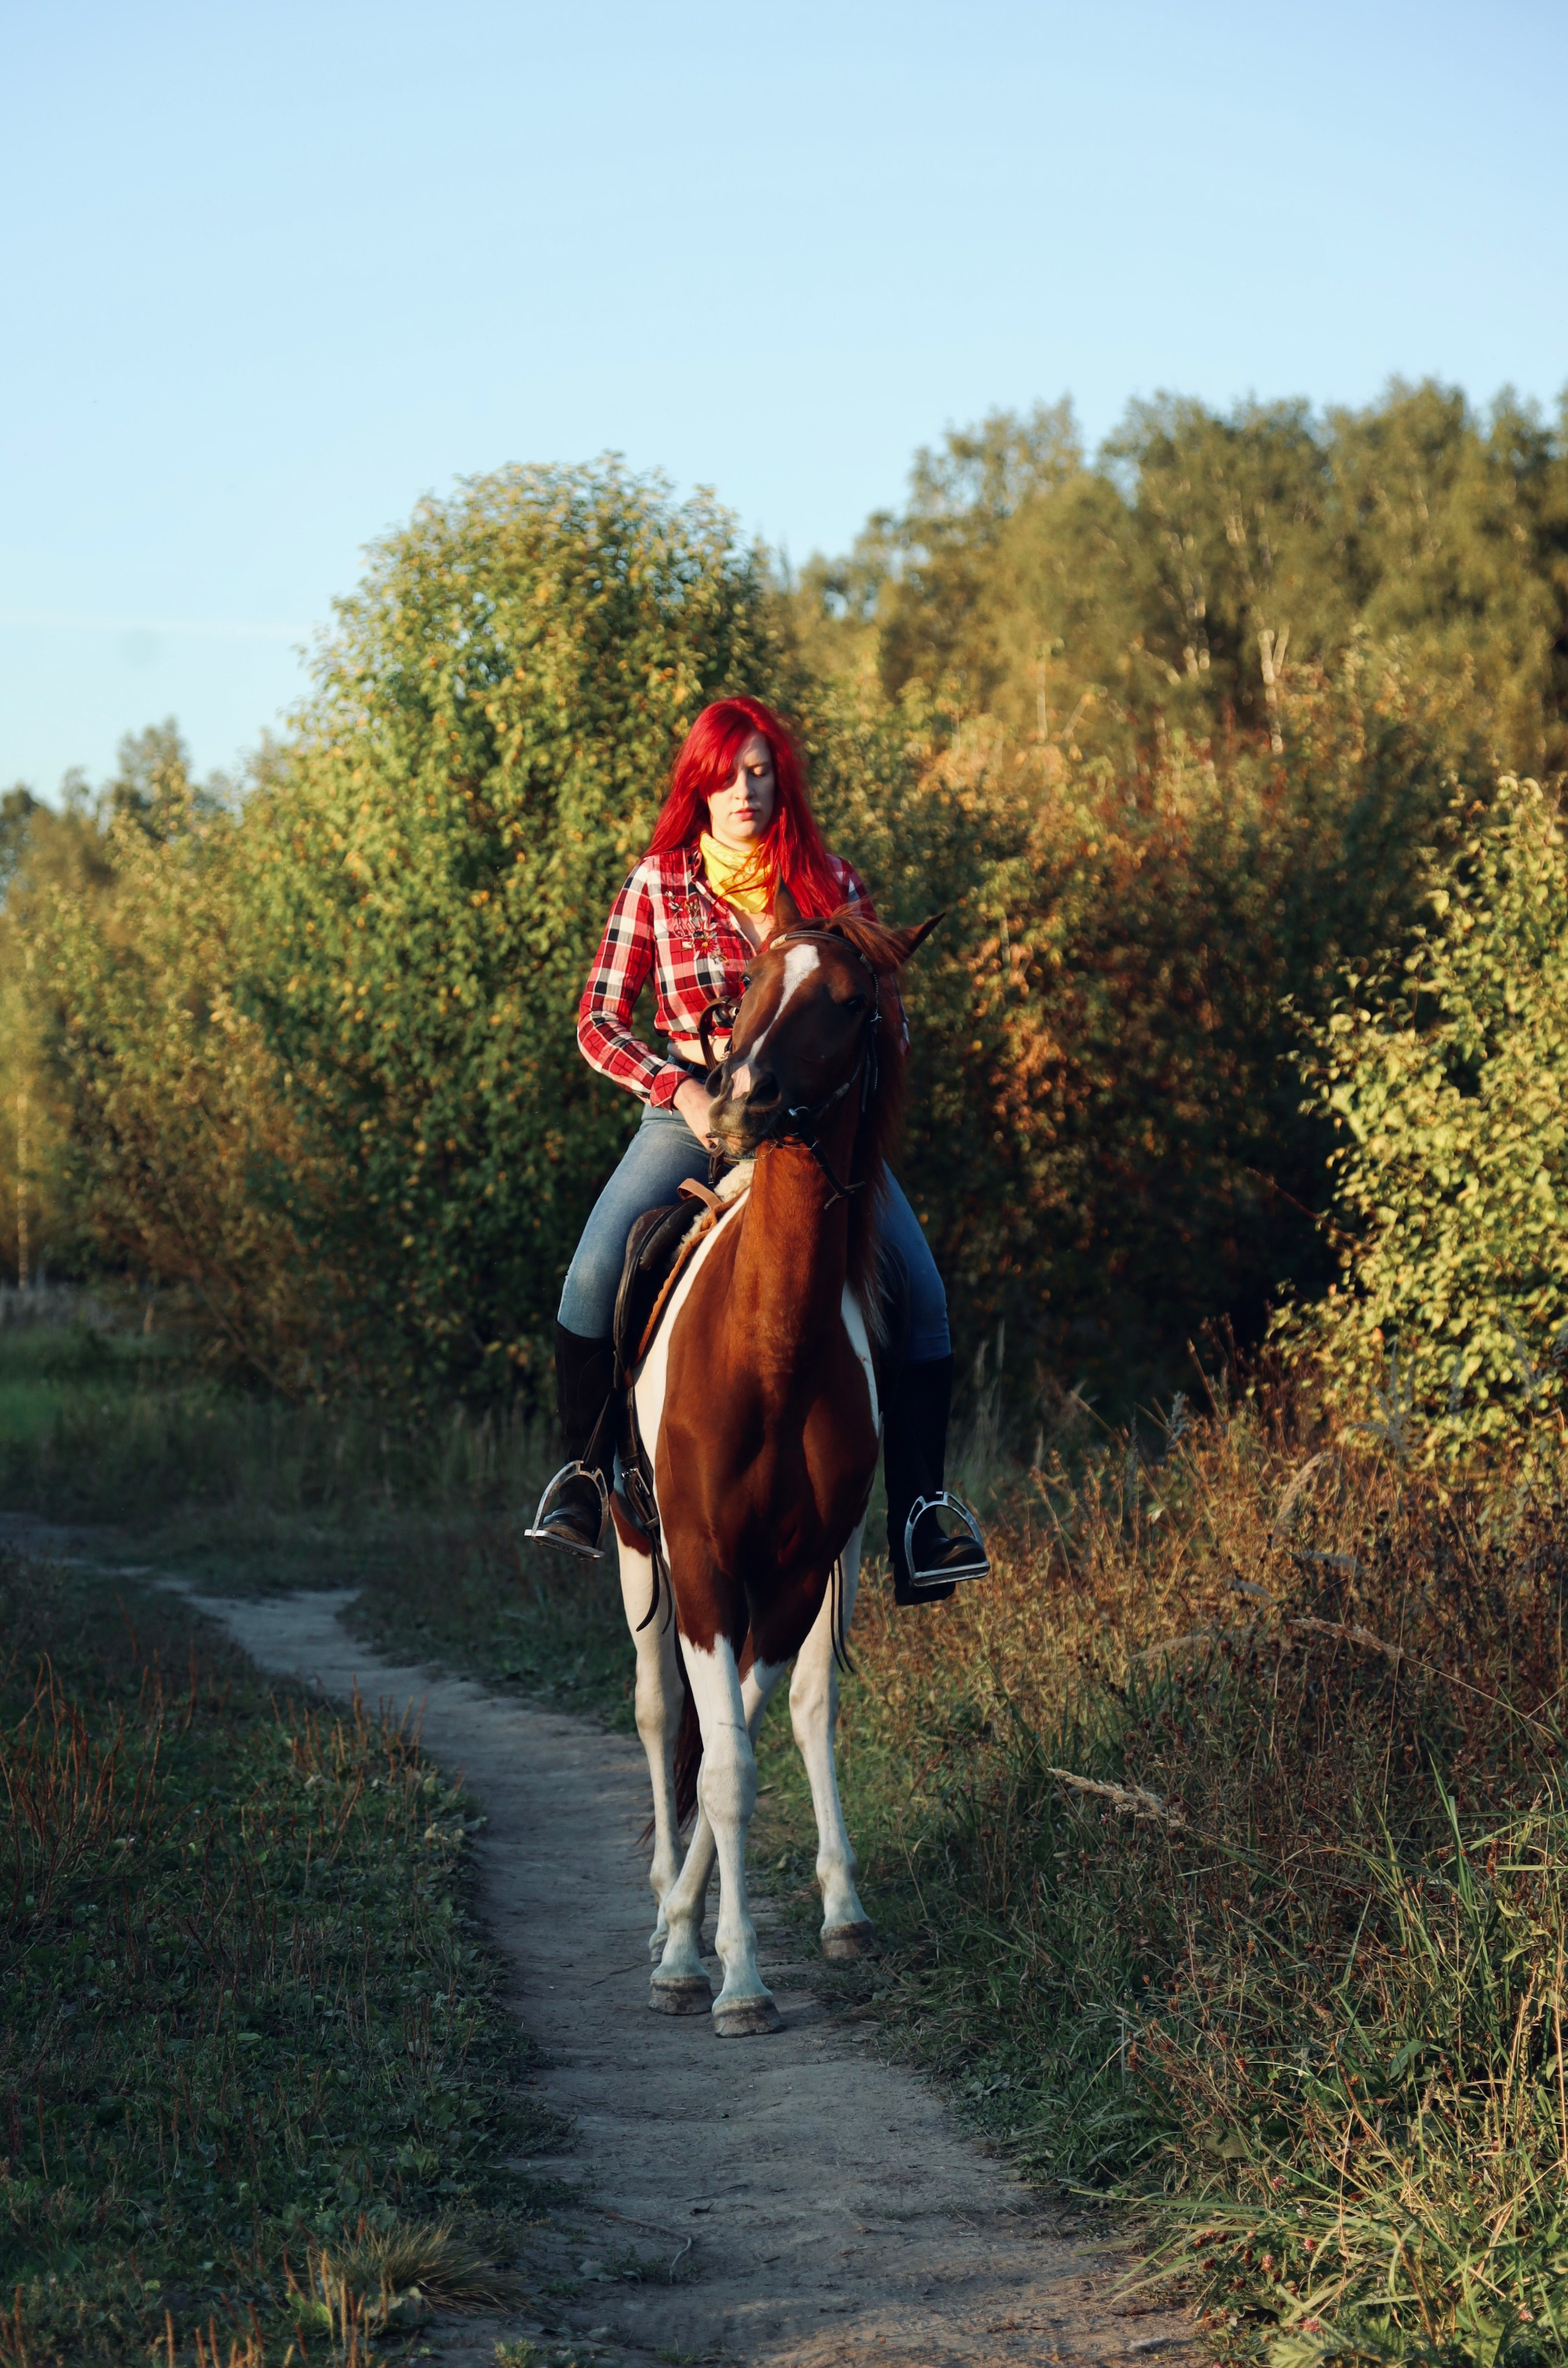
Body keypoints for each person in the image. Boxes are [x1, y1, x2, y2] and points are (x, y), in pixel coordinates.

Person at [529, 695, 988, 1602]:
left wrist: (843, 1073)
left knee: (923, 1296)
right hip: (693, 1113)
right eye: (724, 773)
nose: (743, 790)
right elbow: (596, 1021)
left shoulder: (832, 884)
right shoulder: (656, 884)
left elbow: (889, 1019)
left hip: (813, 1132)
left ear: (782, 778)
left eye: (759, 770)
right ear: (696, 785)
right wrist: (681, 1088)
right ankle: (587, 1479)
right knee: (589, 1275)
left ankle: (920, 1515)